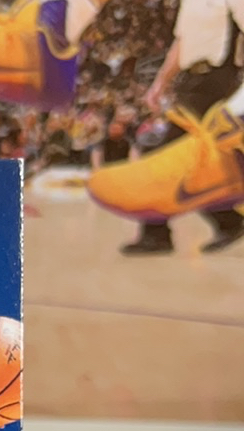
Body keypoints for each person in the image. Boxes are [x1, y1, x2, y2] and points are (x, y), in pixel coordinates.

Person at [87, 0, 244, 254]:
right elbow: (181, 45)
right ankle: (228, 221)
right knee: (200, 160)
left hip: (216, 81)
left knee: (166, 152)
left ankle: (157, 234)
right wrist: (159, 84)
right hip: (191, 82)